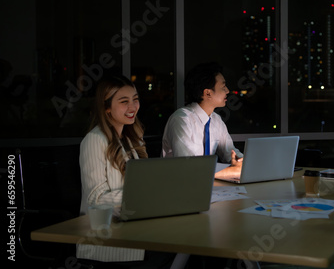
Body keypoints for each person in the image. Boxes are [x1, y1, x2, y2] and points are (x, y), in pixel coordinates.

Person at [78, 75, 174, 268]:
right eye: (124, 102)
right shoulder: (95, 140)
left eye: (135, 99)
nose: (133, 107)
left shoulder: (130, 140)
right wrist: (142, 199)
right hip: (107, 237)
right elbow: (95, 199)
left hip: (134, 226)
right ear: (106, 108)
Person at [162, 62, 243, 179]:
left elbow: (230, 152)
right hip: (179, 186)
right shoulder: (182, 120)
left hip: (205, 186)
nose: (227, 91)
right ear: (208, 93)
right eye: (223, 87)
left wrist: (241, 162)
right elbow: (187, 168)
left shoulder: (215, 120)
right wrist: (230, 172)